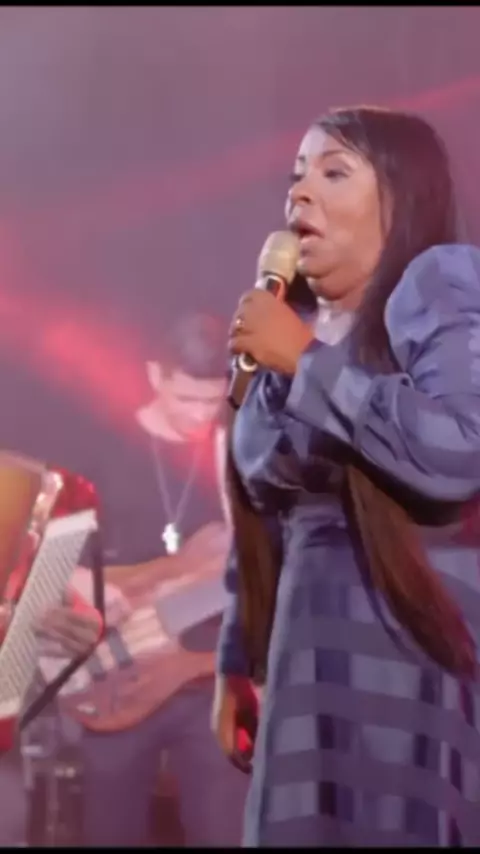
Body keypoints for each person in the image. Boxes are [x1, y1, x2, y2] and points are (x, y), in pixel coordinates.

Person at [212, 105, 480, 847]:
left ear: (401, 197)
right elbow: (261, 517)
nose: (299, 193)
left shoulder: (434, 286)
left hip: (408, 657)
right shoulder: (290, 328)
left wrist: (306, 363)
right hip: (305, 658)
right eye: (297, 176)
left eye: (334, 172)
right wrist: (238, 658)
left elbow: (460, 448)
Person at [66, 311, 248, 847]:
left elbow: (261, 565)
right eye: (186, 398)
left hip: (209, 678)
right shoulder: (101, 445)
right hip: (119, 674)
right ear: (155, 375)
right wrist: (91, 591)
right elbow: (52, 558)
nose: (199, 414)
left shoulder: (235, 451)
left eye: (211, 401)